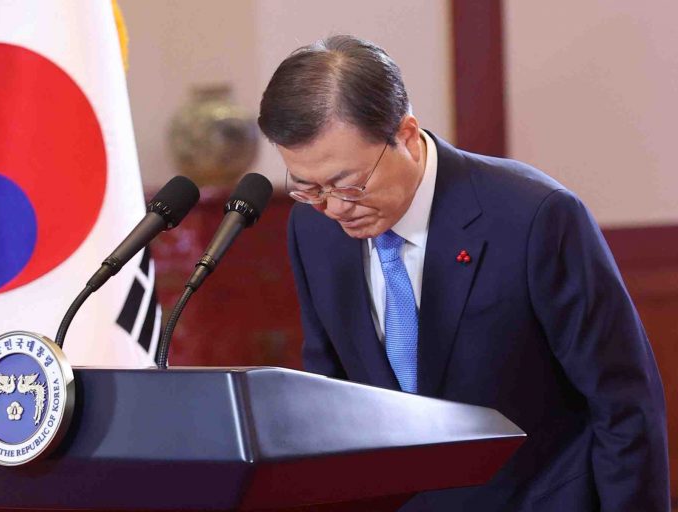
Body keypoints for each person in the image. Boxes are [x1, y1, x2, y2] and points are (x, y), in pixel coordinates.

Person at [257, 35, 669, 511]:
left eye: (348, 184)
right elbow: (327, 401)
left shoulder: (534, 216)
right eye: (307, 187)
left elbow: (625, 404)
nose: (332, 208)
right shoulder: (311, 229)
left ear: (406, 136)